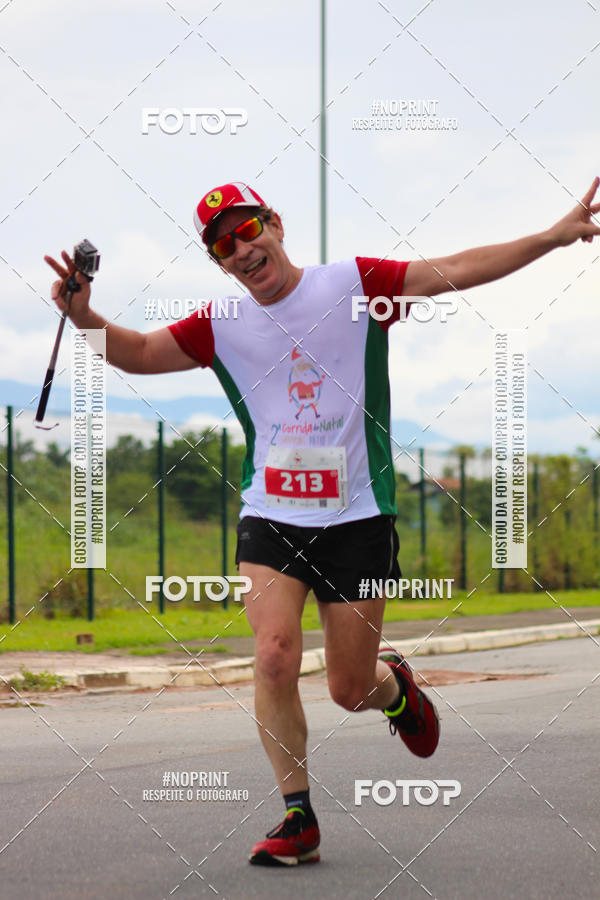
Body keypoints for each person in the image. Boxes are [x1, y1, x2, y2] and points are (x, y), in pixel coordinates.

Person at [46, 177, 600, 867]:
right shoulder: (220, 323)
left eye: (248, 230)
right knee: (273, 656)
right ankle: (296, 817)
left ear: (275, 224)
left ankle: (391, 689)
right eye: (224, 245)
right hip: (270, 516)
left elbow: (453, 271)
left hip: (358, 518)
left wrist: (553, 235)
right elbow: (137, 353)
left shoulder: (354, 285)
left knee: (348, 688)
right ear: (218, 263)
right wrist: (84, 319)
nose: (242, 248)